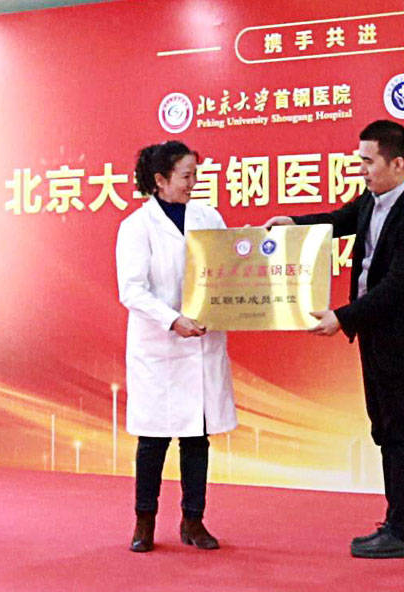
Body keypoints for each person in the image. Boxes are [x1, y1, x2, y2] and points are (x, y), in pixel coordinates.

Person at [264, 119, 404, 559]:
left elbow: (397, 287)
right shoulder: (372, 200)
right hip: (375, 337)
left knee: (401, 434)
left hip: (402, 343)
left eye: (368, 162)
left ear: (397, 164)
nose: (361, 169)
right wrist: (294, 223)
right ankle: (396, 521)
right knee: (384, 431)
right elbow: (339, 220)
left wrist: (342, 318)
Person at [116, 140, 237, 552]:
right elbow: (132, 290)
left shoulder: (208, 217)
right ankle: (144, 522)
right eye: (186, 176)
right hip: (160, 349)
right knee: (153, 441)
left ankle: (193, 520)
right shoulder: (137, 227)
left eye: (195, 175)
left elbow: (228, 269)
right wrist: (172, 320)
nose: (193, 183)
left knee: (196, 439)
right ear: (160, 180)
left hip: (201, 344)